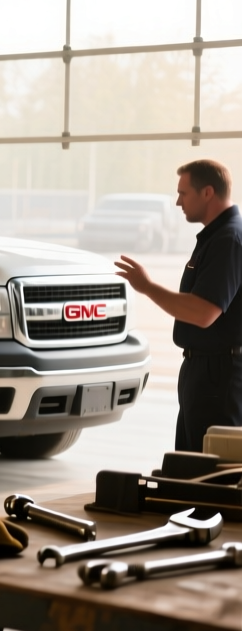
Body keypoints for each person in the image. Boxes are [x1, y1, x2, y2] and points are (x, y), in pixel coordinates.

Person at [115, 160, 242, 452]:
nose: (177, 202)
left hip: (218, 375)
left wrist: (147, 287)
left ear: (207, 192)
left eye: (183, 193)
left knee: (209, 465)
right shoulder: (215, 237)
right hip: (203, 369)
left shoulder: (228, 240)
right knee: (190, 459)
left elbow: (203, 312)